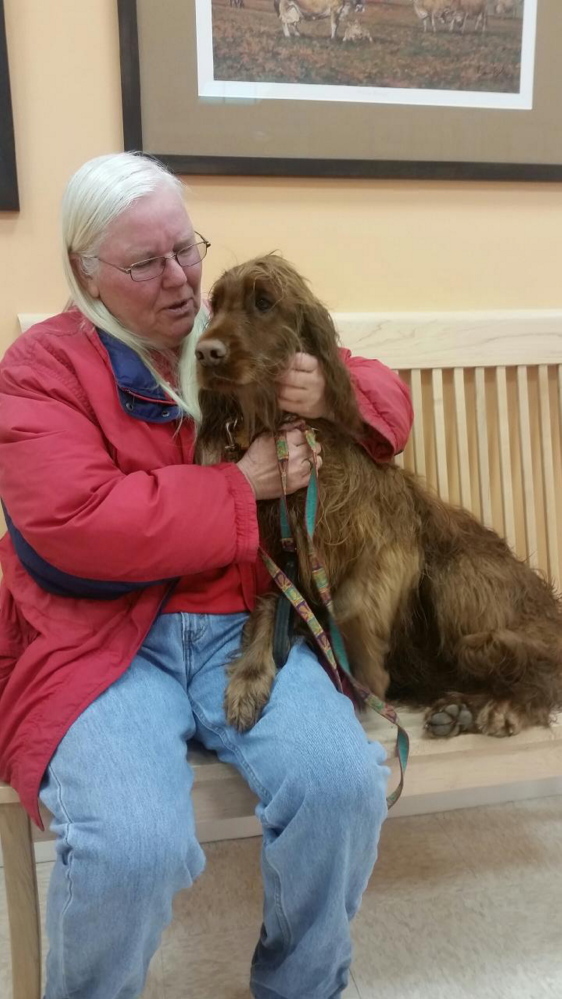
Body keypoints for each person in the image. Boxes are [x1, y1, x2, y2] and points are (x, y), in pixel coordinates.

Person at [0, 152, 413, 999]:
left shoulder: (222, 331)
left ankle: (301, 986)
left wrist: (331, 393)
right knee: (131, 844)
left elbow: (378, 390)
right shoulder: (40, 370)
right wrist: (238, 486)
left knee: (341, 784)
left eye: (187, 248)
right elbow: (75, 527)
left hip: (243, 622)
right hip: (104, 640)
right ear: (85, 270)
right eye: (147, 263)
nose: (181, 280)